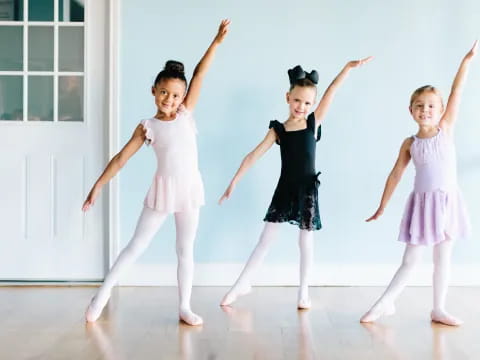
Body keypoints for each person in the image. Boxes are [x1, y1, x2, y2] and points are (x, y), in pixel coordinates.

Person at [82, 19, 231, 325]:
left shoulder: (186, 114)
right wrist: (98, 185)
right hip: (163, 190)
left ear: (183, 96)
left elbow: (201, 72)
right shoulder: (147, 127)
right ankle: (103, 293)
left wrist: (216, 42)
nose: (170, 100)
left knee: (184, 249)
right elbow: (121, 158)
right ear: (154, 91)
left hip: (189, 189)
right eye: (164, 93)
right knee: (137, 245)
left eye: (176, 95)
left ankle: (184, 306)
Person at [219, 56, 372, 309]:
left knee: (305, 242)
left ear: (313, 104)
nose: (302, 106)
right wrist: (234, 181)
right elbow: (253, 155)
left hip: (307, 190)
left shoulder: (313, 123)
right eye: (297, 100)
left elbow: (331, 91)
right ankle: (240, 285)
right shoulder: (278, 129)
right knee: (265, 240)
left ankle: (303, 293)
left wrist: (346, 68)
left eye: (307, 102)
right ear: (287, 97)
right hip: (285, 190)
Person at [360, 41, 477, 326]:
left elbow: (457, 91)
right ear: (411, 110)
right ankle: (384, 302)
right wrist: (382, 206)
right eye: (420, 106)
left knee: (443, 258)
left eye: (431, 106)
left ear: (441, 110)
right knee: (412, 260)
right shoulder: (410, 143)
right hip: (423, 206)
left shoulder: (445, 129)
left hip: (447, 202)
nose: (426, 110)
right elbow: (395, 175)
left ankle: (438, 308)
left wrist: (467, 60)